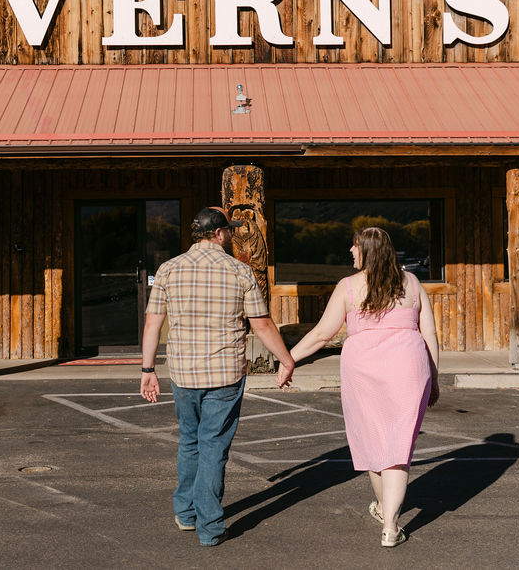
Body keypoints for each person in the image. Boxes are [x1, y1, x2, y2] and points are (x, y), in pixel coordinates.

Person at [140, 206, 294, 546]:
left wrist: (148, 369)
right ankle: (210, 526)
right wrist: (287, 360)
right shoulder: (239, 271)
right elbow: (262, 323)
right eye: (230, 231)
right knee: (213, 447)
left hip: (183, 372)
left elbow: (153, 322)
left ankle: (186, 513)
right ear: (220, 233)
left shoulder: (168, 269)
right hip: (224, 373)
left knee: (190, 441)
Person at [288, 226, 440, 548]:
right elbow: (429, 335)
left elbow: (320, 334)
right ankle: (390, 526)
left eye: (355, 247)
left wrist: (289, 359)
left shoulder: (348, 287)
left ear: (367, 251)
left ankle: (386, 511)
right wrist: (435, 377)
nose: (350, 251)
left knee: (373, 443)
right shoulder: (412, 283)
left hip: (363, 371)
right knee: (398, 449)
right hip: (408, 370)